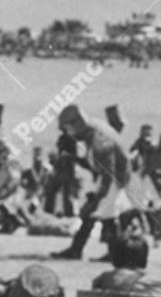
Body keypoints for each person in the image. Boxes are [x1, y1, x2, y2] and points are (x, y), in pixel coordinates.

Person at [50, 104, 132, 262]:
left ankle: (103, 252)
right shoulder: (93, 130)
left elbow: (108, 169)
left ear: (75, 125)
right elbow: (96, 164)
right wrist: (73, 159)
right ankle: (85, 251)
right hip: (116, 175)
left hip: (114, 177)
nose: (67, 133)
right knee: (101, 213)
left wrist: (100, 194)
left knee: (98, 212)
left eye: (68, 128)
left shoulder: (98, 137)